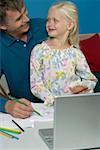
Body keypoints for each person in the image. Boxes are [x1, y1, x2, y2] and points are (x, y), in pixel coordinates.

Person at [30, 1, 97, 106]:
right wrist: (54, 101)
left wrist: (82, 87)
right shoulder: (39, 51)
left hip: (75, 105)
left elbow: (90, 79)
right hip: (50, 106)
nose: (49, 24)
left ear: (70, 25)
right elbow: (36, 86)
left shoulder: (75, 53)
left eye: (55, 20)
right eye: (48, 20)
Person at [0, 0, 47, 118]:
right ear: (3, 26)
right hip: (27, 111)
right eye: (18, 19)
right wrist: (7, 105)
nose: (26, 19)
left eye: (25, 12)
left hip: (61, 103)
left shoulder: (46, 27)